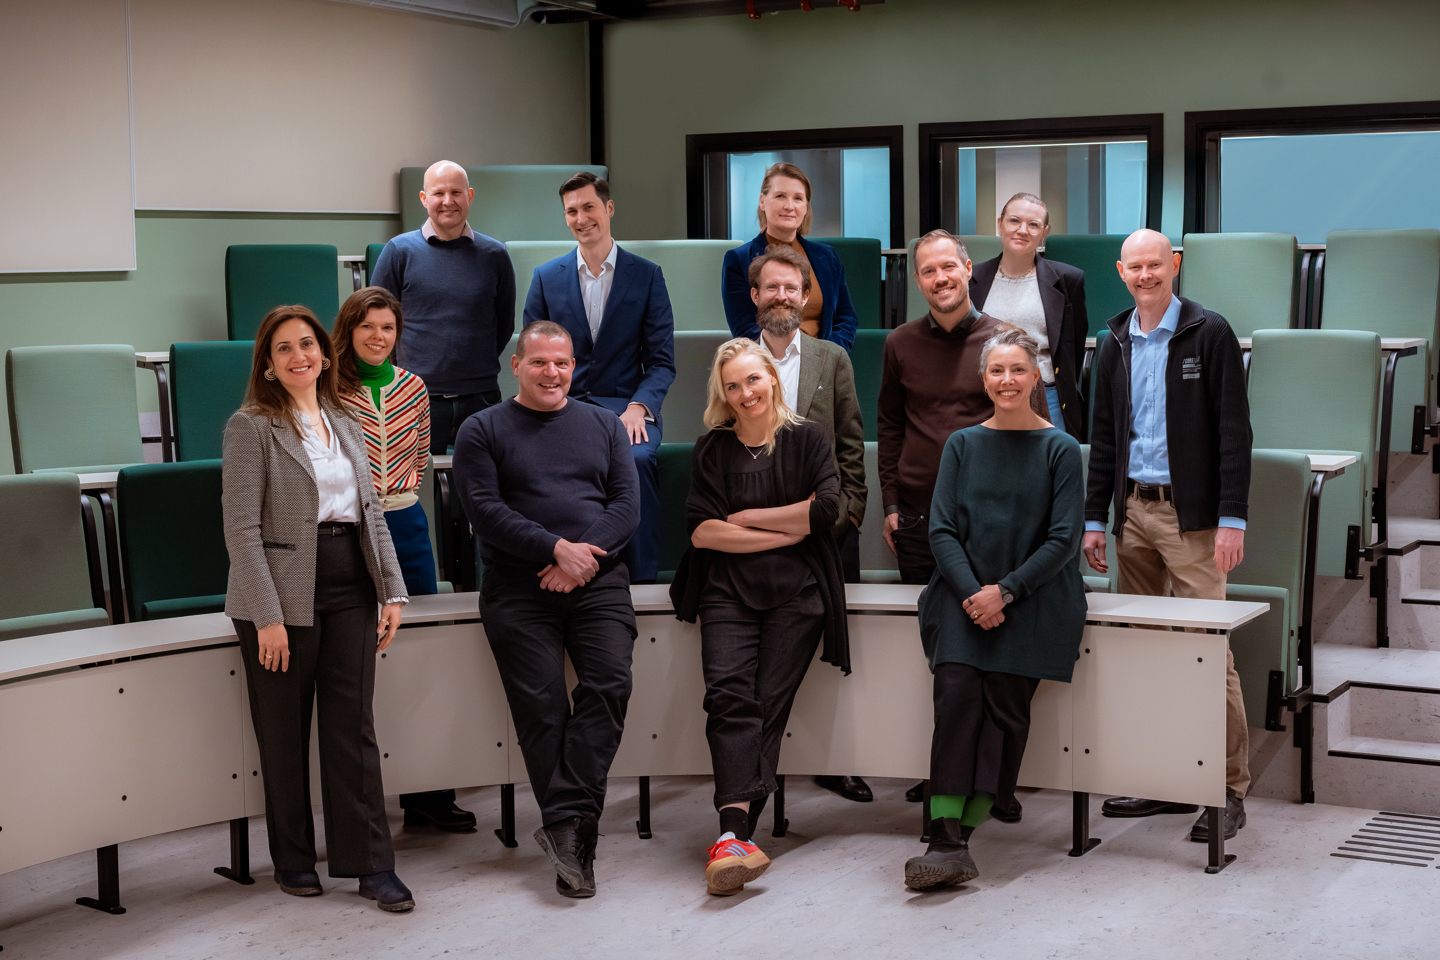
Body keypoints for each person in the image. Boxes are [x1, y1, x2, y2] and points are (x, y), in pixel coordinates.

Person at [221, 305, 414, 912]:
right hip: (278, 595)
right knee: (283, 735)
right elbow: (242, 530)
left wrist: (392, 589)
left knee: (353, 731)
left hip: (350, 584)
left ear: (326, 355)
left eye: (307, 344)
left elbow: (372, 513)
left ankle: (371, 867)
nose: (299, 355)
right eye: (284, 348)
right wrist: (267, 616)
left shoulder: (344, 420)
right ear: (269, 365)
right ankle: (295, 860)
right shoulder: (250, 426)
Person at [452, 321, 640, 899]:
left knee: (609, 684)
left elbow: (628, 505)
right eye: (539, 363)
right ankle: (574, 838)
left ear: (574, 366)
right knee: (542, 708)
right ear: (517, 365)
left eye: (561, 363)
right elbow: (483, 509)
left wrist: (579, 558)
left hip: (599, 580)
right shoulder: (481, 429)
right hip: (517, 585)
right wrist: (553, 549)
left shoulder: (603, 425)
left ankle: (566, 825)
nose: (552, 373)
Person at [1083, 228, 1252, 842]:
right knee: (1145, 651)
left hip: (1195, 521)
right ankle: (1164, 781)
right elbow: (1106, 437)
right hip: (1133, 516)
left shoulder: (1209, 333)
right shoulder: (1115, 338)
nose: (1147, 274)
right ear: (1121, 271)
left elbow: (1234, 432)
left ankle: (1227, 789)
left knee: (1211, 654)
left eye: (1157, 264)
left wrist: (1232, 518)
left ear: (1173, 266)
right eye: (1136, 267)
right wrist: (1096, 518)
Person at [903, 326, 1086, 890]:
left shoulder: (1061, 449)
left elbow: (1062, 541)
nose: (1007, 380)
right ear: (984, 379)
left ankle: (971, 821)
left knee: (1004, 707)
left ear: (1036, 379)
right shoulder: (962, 444)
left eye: (1017, 371)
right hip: (962, 596)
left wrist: (1003, 593)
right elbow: (941, 530)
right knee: (956, 695)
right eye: (996, 371)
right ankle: (946, 839)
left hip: (1034, 598)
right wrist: (973, 595)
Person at [669, 338, 849, 897]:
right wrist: (782, 530)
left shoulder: (808, 439)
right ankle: (736, 837)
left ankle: (731, 835)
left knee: (766, 706)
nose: (745, 393)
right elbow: (701, 532)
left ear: (772, 376)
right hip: (726, 593)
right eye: (732, 385)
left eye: (752, 379)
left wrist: (745, 520)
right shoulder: (712, 448)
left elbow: (825, 512)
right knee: (728, 698)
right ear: (722, 394)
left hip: (799, 596)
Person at [879, 229, 1049, 809]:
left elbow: (1036, 428)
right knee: (944, 660)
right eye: (928, 271)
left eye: (948, 267)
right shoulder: (900, 343)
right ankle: (949, 775)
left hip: (995, 532)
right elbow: (889, 427)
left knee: (999, 661)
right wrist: (892, 505)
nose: (940, 279)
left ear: (968, 269)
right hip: (923, 526)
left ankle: (992, 783)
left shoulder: (1005, 343)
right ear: (918, 280)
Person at [329, 287, 475, 832]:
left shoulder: (413, 386)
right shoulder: (328, 389)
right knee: (358, 655)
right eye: (367, 327)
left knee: (423, 654)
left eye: (387, 328)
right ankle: (361, 798)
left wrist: (403, 494)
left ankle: (429, 793)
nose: (378, 337)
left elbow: (419, 455)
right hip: (351, 526)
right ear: (348, 331)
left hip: (407, 520)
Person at [748, 245, 873, 805]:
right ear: (755, 297)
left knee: (834, 656)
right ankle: (757, 765)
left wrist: (847, 516)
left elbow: (851, 444)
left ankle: (836, 761)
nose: (782, 296)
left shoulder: (832, 358)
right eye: (771, 288)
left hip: (825, 535)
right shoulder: (735, 361)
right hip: (751, 541)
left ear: (805, 297)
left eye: (791, 289)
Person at [522, 171, 676, 582]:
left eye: (588, 207)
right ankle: (556, 567)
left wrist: (639, 409)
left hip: (624, 406)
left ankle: (640, 579)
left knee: (638, 460)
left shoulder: (646, 275)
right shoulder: (545, 277)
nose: (580, 217)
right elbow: (532, 356)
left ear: (608, 208)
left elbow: (662, 361)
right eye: (571, 211)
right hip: (561, 405)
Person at [371, 160, 516, 454]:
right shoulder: (399, 251)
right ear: (424, 199)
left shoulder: (495, 255)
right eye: (438, 193)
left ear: (470, 196)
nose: (447, 201)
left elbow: (504, 324)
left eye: (456, 192)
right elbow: (376, 324)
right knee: (415, 490)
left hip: (481, 397)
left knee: (479, 491)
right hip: (415, 396)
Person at [969, 192, 1088, 436]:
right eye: (1014, 221)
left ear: (1044, 233)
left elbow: (1071, 348)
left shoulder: (1068, 280)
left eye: (1033, 224)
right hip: (986, 396)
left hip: (1048, 395)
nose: (1022, 230)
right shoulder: (971, 280)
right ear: (999, 224)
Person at [722, 162, 859, 351]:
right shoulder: (738, 260)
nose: (789, 206)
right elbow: (745, 330)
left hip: (824, 366)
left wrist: (828, 359)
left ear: (806, 207)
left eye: (798, 198)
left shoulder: (827, 257)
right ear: (762, 201)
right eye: (780, 196)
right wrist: (789, 362)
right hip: (769, 369)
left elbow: (846, 319)